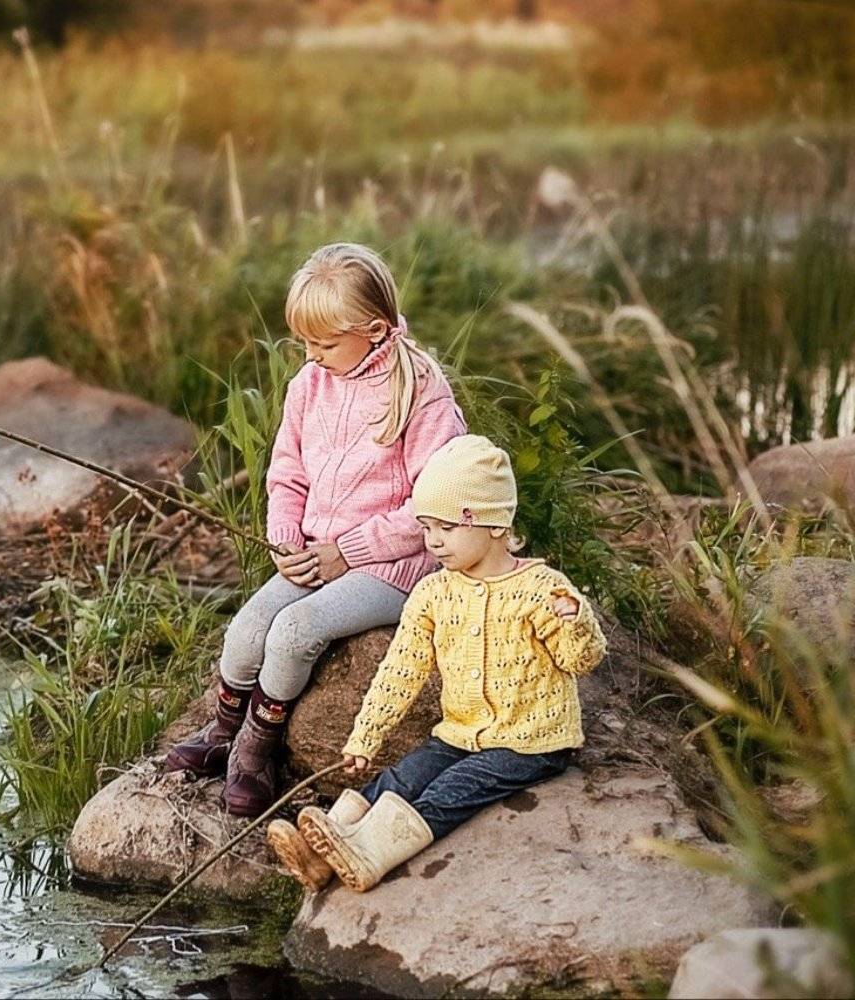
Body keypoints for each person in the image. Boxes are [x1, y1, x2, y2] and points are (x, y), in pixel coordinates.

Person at [164, 242, 466, 817]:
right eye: (304, 341)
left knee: (294, 631)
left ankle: (257, 752)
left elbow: (433, 506)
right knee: (248, 628)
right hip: (315, 554)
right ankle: (223, 731)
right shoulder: (309, 384)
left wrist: (346, 552)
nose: (311, 355)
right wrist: (285, 539)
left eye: (324, 344)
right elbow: (287, 471)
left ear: (374, 331)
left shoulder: (420, 391)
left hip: (391, 565)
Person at [267, 434, 607, 891]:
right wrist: (365, 737)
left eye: (446, 528)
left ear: (493, 524)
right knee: (403, 777)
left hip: (530, 743)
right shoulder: (433, 592)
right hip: (460, 733)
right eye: (426, 528)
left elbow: (579, 660)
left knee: (453, 789)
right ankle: (324, 851)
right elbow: (400, 672)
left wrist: (575, 621)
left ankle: (369, 855)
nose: (434, 542)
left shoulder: (540, 588)